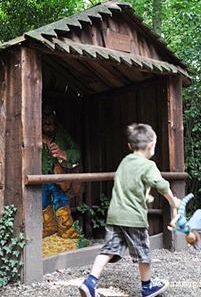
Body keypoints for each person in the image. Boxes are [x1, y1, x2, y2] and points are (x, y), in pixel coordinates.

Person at [79, 123, 181, 297]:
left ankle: (90, 282)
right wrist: (174, 202)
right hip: (133, 218)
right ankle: (147, 286)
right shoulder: (148, 166)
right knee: (143, 253)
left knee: (108, 250)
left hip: (114, 216)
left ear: (129, 146)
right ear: (151, 146)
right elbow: (162, 185)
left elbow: (129, 186)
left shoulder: (124, 162)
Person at [42, 104, 82, 239]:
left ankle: (67, 230)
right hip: (39, 177)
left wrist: (62, 153)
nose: (47, 122)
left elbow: (76, 152)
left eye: (50, 118)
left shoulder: (61, 133)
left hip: (58, 176)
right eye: (44, 118)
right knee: (43, 201)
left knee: (61, 199)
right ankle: (49, 228)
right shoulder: (33, 133)